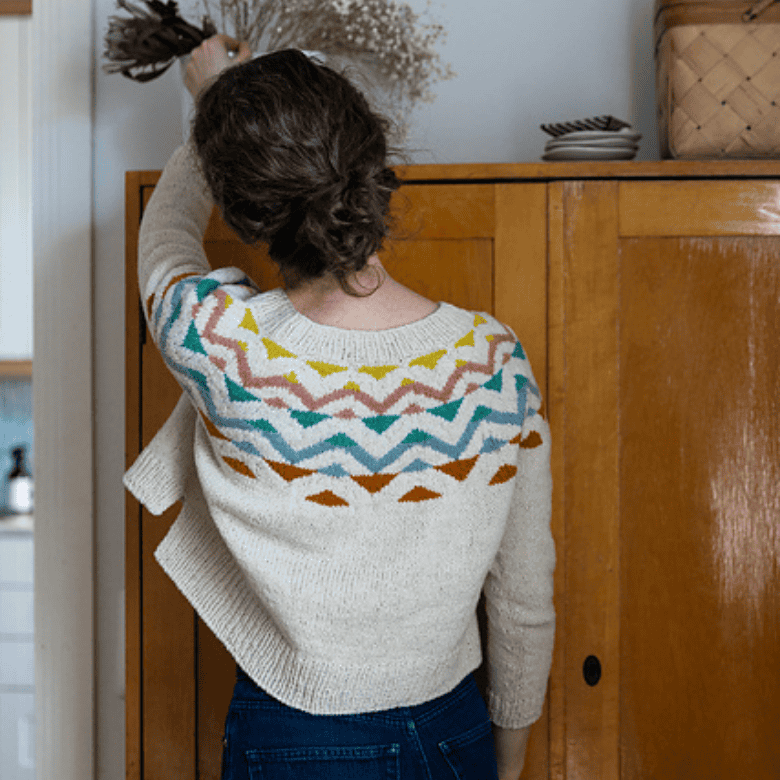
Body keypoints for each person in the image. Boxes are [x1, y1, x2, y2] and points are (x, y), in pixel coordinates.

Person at [129, 34, 555, 780]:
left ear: (251, 210)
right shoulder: (494, 361)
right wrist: (507, 758)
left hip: (295, 737)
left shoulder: (225, 348)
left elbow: (164, 239)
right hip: (456, 731)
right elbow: (522, 592)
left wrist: (212, 100)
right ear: (373, 166)